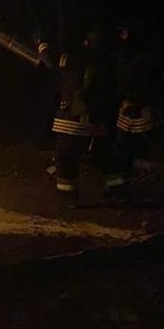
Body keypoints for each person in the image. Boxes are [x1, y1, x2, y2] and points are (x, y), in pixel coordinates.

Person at [39, 28, 126, 206]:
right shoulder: (107, 64)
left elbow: (49, 60)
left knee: (66, 157)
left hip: (70, 120)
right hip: (99, 120)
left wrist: (41, 44)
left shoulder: (69, 59)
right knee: (107, 155)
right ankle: (119, 191)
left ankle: (68, 197)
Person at [115, 17, 164, 195]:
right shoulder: (123, 56)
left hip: (149, 108)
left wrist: (162, 102)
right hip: (127, 107)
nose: (122, 36)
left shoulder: (153, 56)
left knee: (163, 144)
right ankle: (120, 183)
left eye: (125, 32)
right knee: (121, 145)